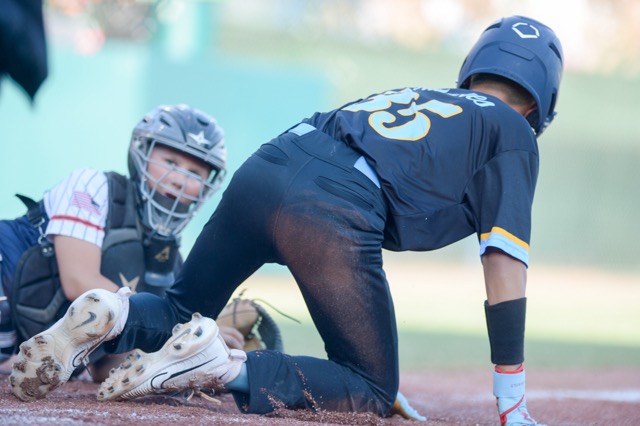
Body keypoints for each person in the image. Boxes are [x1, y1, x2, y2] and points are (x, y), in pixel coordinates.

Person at [10, 15, 563, 426]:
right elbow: (504, 263)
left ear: (471, 70)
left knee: (181, 305)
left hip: (271, 165)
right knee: (369, 388)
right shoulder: (512, 132)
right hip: (334, 204)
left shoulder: (420, 97)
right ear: (542, 104)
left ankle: (114, 310)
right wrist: (510, 398)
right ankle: (218, 367)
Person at [0, 104, 237, 378]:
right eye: (170, 163)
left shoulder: (170, 268)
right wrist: (178, 327)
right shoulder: (94, 186)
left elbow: (104, 368)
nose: (180, 180)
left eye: (195, 173)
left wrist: (196, 355)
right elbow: (78, 281)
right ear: (141, 154)